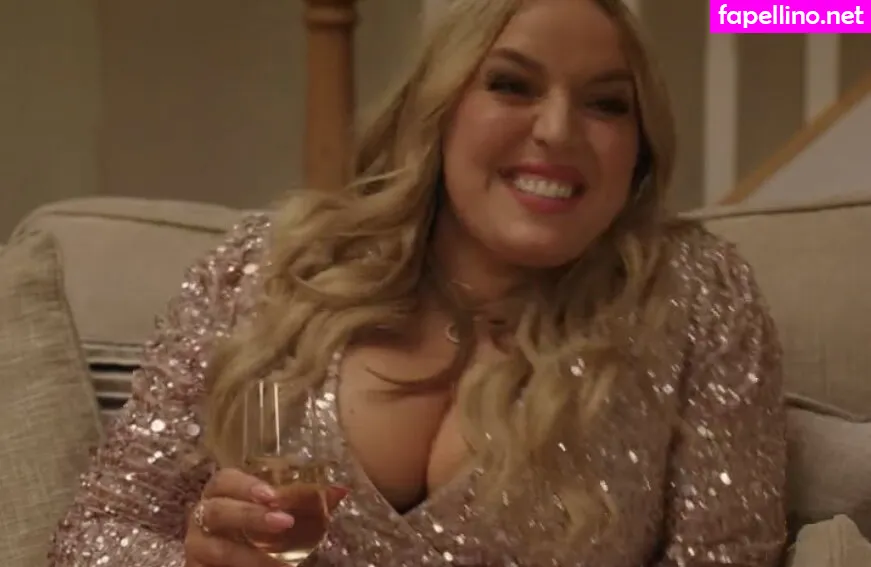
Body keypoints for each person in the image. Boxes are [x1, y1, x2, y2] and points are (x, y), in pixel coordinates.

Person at [49, 0, 788, 565]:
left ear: (640, 147)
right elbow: (95, 534)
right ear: (438, 110)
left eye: (606, 103)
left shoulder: (696, 295)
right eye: (512, 85)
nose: (559, 130)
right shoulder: (266, 268)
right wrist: (191, 560)